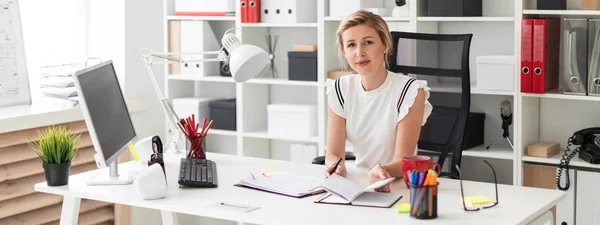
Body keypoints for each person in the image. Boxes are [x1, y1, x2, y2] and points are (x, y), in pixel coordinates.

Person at [324, 10, 433, 192]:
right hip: (357, 183)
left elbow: (404, 160)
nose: (360, 52)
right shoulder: (339, 89)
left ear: (384, 44)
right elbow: (334, 153)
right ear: (344, 51)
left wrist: (383, 170)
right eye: (351, 45)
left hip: (397, 184)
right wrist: (336, 167)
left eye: (368, 42)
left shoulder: (411, 90)